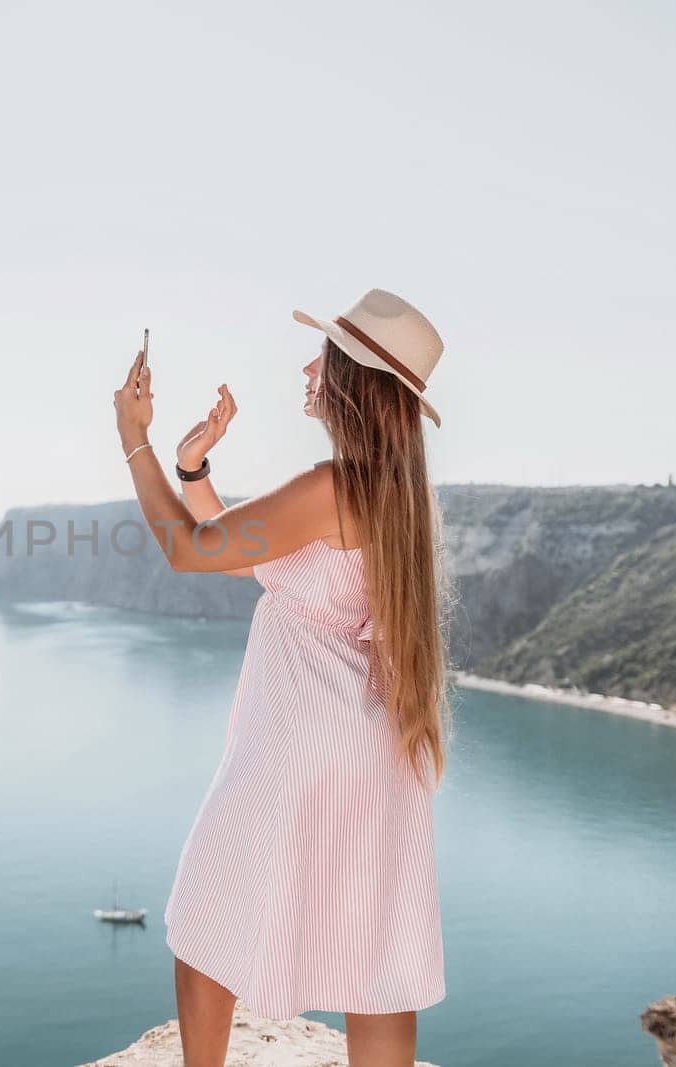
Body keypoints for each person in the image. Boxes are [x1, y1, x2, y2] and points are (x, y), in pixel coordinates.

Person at [112, 289, 456, 1067]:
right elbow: (259, 555)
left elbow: (191, 550)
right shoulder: (393, 493)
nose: (308, 366)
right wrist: (193, 465)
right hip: (378, 748)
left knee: (204, 921)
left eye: (324, 357)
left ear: (352, 381)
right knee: (376, 965)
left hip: (298, 746)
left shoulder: (330, 486)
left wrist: (134, 438)